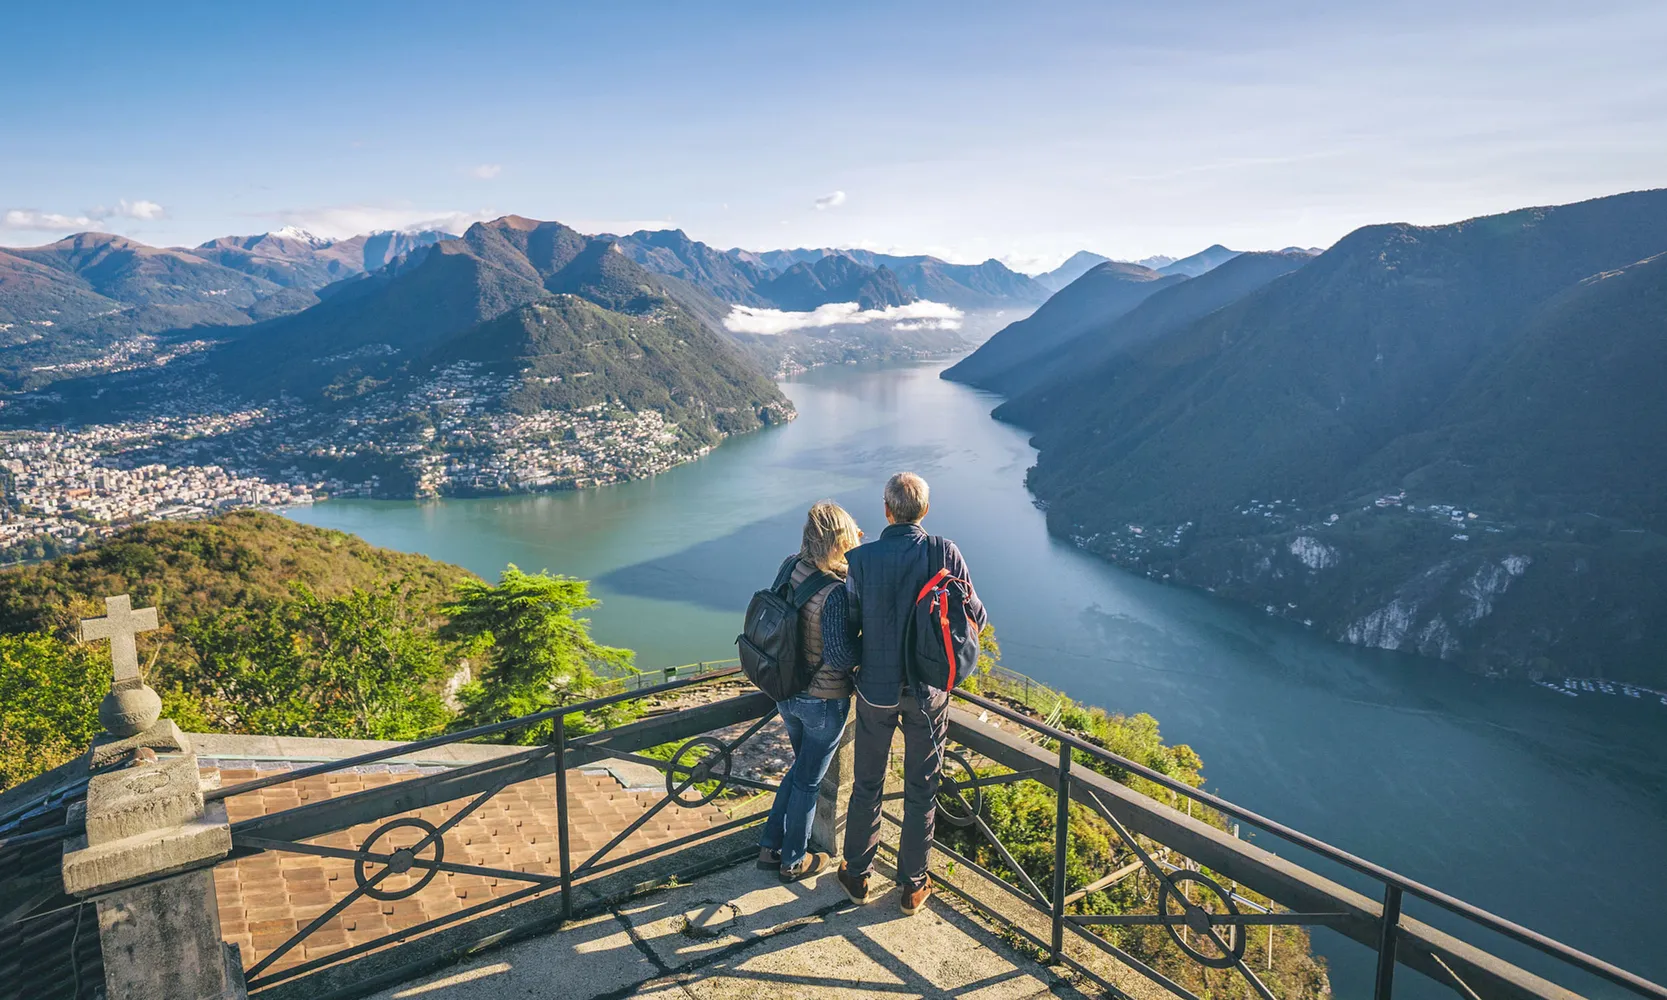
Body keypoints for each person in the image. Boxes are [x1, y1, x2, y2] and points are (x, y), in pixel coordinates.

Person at [829, 472, 986, 915]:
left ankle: (857, 873)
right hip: (928, 692)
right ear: (925, 511)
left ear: (886, 509)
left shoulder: (860, 560)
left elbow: (852, 621)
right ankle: (913, 886)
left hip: (876, 691)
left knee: (867, 783)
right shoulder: (944, 552)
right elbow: (977, 616)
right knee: (923, 787)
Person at [756, 500, 863, 882]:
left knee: (799, 769)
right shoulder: (834, 592)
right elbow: (839, 654)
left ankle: (770, 845)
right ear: (839, 541)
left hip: (785, 691)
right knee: (807, 780)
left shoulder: (789, 566)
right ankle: (792, 859)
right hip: (822, 702)